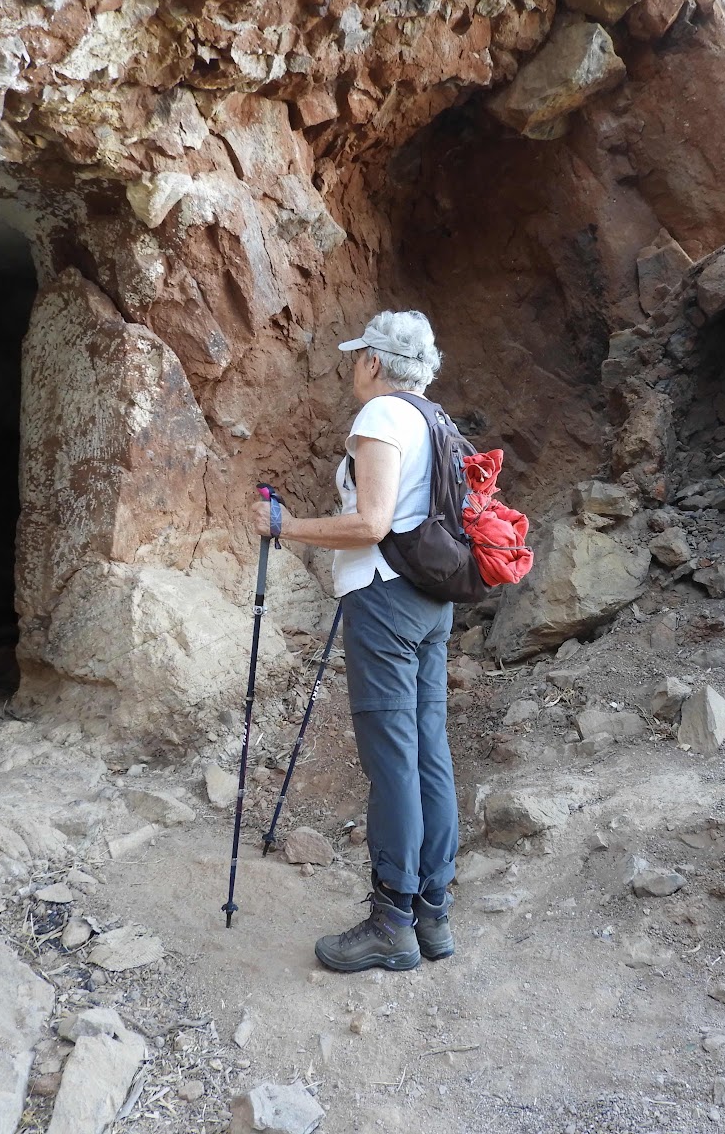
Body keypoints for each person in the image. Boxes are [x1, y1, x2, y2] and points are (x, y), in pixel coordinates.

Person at [249, 310, 457, 972]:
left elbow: (370, 523)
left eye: (356, 357)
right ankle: (432, 917)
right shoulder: (436, 422)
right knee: (428, 754)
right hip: (430, 600)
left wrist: (286, 526)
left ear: (374, 361)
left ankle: (390, 923)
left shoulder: (381, 419)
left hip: (386, 602)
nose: (351, 369)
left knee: (393, 760)